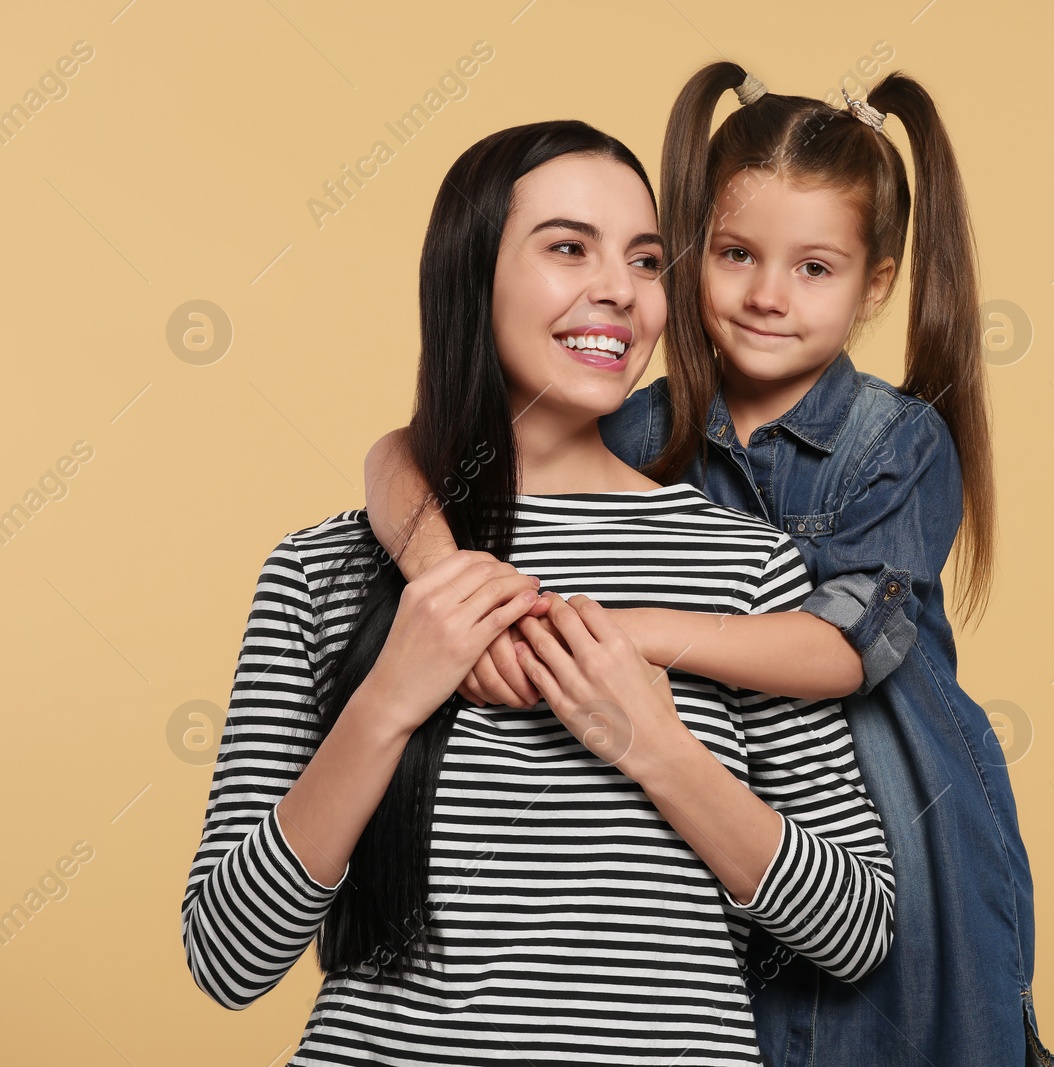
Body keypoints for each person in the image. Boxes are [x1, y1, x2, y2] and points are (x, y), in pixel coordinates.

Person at [363, 65, 1054, 1066]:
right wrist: (445, 577)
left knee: (878, 1024)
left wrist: (621, 627)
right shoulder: (636, 421)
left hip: (879, 778)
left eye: (813, 268)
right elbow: (405, 454)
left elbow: (840, 649)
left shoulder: (895, 441)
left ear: (878, 282)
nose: (768, 296)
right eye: (735, 254)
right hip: (687, 763)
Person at [180, 119, 893, 1067]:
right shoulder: (326, 570)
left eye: (645, 260)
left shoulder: (743, 571)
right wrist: (391, 695)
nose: (618, 290)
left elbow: (855, 931)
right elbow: (228, 955)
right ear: (471, 276)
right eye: (567, 248)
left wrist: (659, 751)